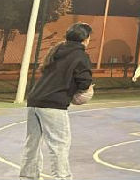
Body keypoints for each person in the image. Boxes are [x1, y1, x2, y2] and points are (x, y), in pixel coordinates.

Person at [20, 22, 94, 180]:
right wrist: (84, 91)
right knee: (59, 145)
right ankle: (62, 177)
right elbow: (84, 82)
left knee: (32, 144)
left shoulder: (57, 50)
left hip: (34, 101)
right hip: (54, 104)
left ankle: (28, 176)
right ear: (85, 38)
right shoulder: (80, 55)